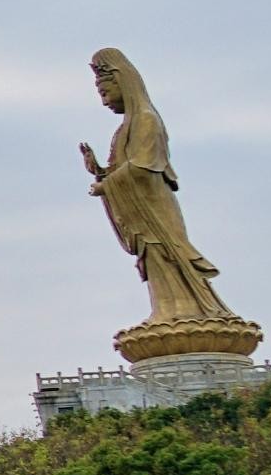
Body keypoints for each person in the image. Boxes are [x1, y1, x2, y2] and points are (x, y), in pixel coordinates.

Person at [81, 47, 241, 330]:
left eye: (105, 93)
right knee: (153, 261)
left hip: (155, 210)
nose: (104, 102)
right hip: (140, 217)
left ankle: (188, 311)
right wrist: (99, 170)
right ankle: (166, 310)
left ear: (123, 84)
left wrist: (106, 186)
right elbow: (122, 169)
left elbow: (142, 168)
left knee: (168, 256)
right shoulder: (122, 131)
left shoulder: (146, 119)